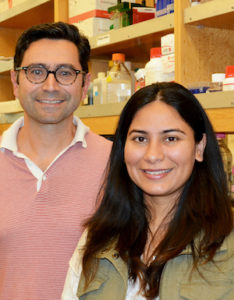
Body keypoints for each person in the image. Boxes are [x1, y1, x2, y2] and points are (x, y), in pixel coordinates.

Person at [62, 82, 234, 300]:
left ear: (199, 147)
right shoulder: (97, 239)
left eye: (171, 138)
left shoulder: (227, 241)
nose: (153, 155)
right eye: (140, 139)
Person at [0, 22, 111, 299]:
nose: (51, 86)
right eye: (36, 72)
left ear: (84, 83)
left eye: (65, 73)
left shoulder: (118, 163)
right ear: (15, 81)